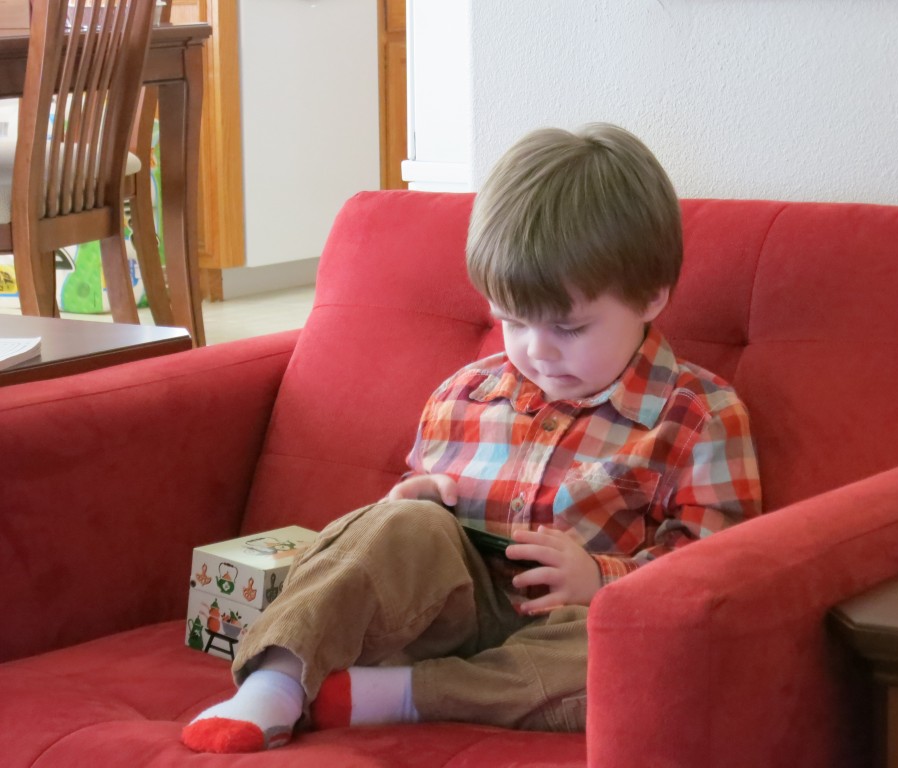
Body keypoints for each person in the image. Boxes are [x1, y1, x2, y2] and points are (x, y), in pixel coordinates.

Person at [182, 123, 762, 753]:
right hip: (444, 612)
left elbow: (712, 578)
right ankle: (276, 683)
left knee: (643, 656)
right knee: (393, 527)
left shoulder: (700, 417)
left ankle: (393, 696)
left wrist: (600, 579)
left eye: (569, 328)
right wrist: (411, 504)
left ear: (651, 296)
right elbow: (408, 544)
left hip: (565, 634)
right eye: (512, 320)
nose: (537, 351)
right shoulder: (465, 394)